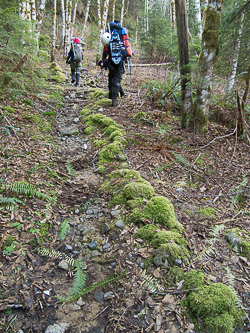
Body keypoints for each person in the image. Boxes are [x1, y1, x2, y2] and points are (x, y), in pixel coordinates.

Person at [98, 21, 126, 107]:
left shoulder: (108, 39)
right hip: (120, 63)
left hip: (111, 63)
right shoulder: (121, 39)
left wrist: (102, 62)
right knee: (116, 79)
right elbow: (125, 53)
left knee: (113, 79)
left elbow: (104, 53)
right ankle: (120, 94)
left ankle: (114, 101)